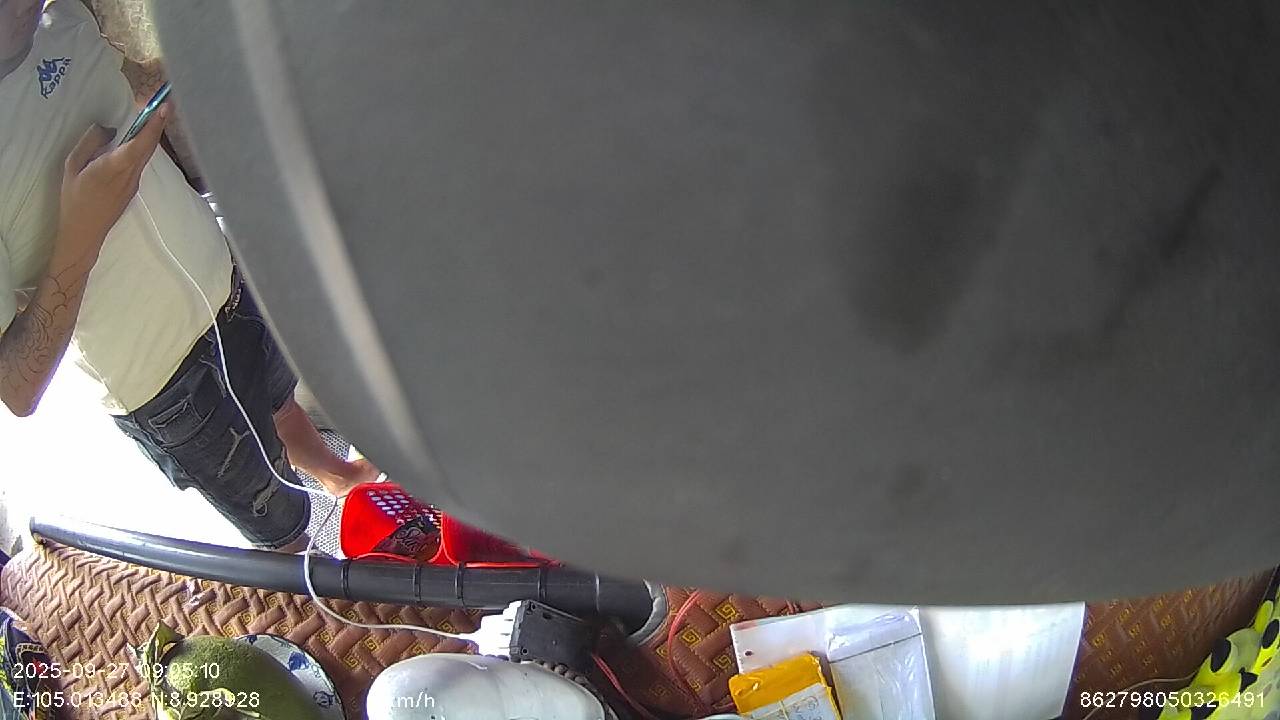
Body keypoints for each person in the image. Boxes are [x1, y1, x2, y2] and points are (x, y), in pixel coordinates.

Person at [0, 0, 379, 551]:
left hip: (221, 283)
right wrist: (83, 230)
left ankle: (339, 477)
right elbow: (17, 387)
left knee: (277, 400)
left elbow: (130, 83)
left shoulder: (67, 18)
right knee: (274, 518)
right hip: (162, 382)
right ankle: (317, 579)